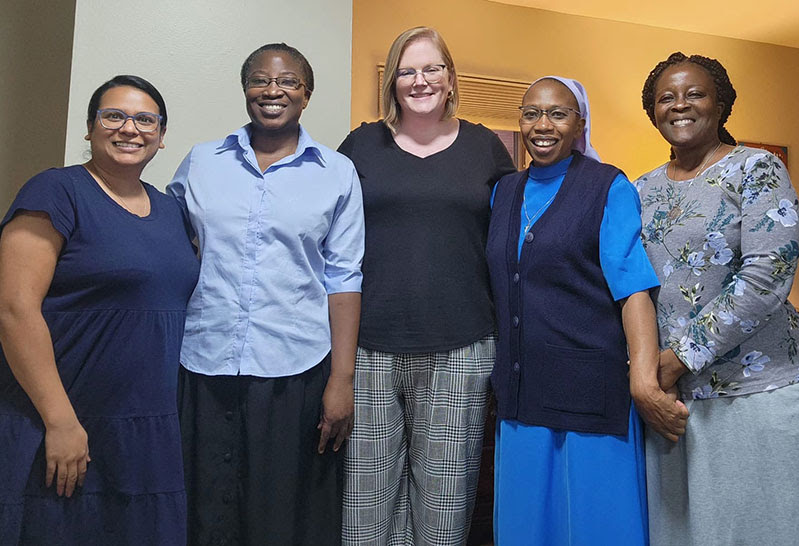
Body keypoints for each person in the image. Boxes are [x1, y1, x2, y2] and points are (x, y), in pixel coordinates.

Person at [168, 43, 364, 546]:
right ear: (245, 88)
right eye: (260, 80)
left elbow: (343, 277)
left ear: (307, 93)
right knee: (202, 506)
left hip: (293, 367)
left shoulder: (337, 173)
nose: (273, 91)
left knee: (280, 514)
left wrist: (341, 380)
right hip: (204, 361)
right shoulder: (201, 162)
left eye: (288, 82)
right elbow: (170, 246)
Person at [0, 75, 198, 544]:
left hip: (148, 428)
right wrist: (60, 420)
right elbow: (13, 310)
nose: (130, 128)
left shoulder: (172, 210)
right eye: (114, 116)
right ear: (89, 129)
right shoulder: (55, 191)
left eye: (145, 119)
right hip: (65, 418)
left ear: (162, 136)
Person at [338, 26, 516, 546]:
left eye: (431, 68)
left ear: (450, 76)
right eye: (407, 70)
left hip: (462, 346)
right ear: (392, 80)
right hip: (369, 346)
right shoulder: (359, 146)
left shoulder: (486, 148)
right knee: (366, 510)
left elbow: (515, 241)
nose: (420, 80)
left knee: (443, 508)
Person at [487, 76, 683, 545]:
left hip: (590, 393)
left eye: (557, 113)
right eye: (532, 112)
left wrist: (643, 379)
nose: (543, 125)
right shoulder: (504, 193)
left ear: (579, 124)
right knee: (525, 529)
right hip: (521, 393)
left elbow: (633, 287)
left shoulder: (607, 186)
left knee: (598, 528)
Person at [637, 52, 799, 545]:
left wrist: (675, 360)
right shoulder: (639, 189)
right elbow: (633, 290)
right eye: (666, 98)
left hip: (755, 391)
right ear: (653, 111)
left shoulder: (757, 168)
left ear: (721, 103)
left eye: (695, 94)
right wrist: (648, 372)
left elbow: (767, 276)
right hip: (674, 406)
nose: (679, 105)